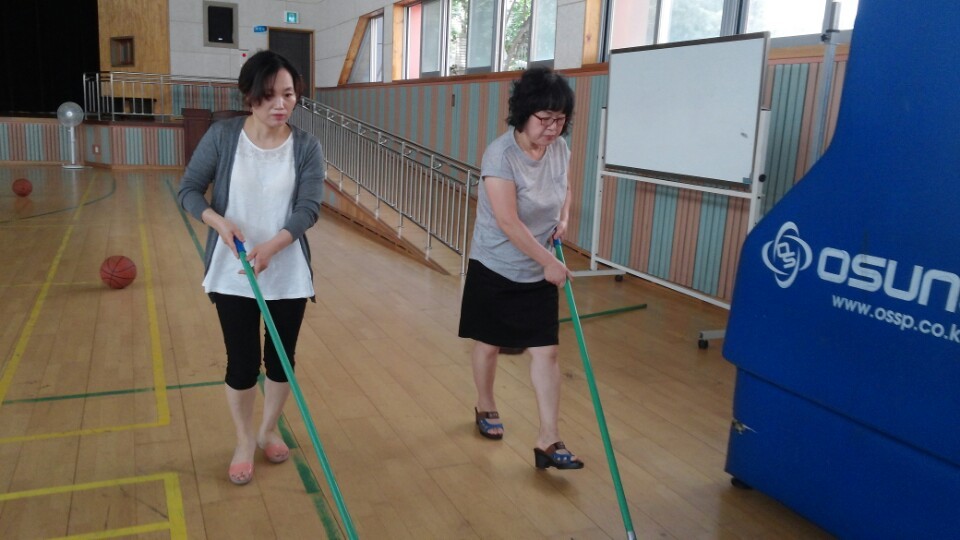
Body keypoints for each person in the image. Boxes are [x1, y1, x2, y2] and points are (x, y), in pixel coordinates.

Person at [177, 50, 324, 485]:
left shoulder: (307, 146)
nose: (280, 104)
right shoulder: (223, 136)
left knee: (281, 359)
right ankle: (243, 440)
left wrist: (273, 247)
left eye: (288, 94)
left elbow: (308, 208)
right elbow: (188, 190)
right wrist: (218, 221)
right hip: (232, 272)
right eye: (269, 95)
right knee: (241, 363)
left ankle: (268, 430)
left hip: (286, 272)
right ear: (249, 95)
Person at [458, 67, 583, 470]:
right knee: (489, 343)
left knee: (547, 352)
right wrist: (550, 262)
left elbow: (565, 187)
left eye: (560, 119)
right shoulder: (501, 155)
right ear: (524, 113)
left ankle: (548, 438)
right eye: (544, 119)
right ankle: (485, 404)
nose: (552, 128)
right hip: (496, 264)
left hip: (539, 266)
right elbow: (508, 222)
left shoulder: (559, 148)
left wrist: (563, 219)